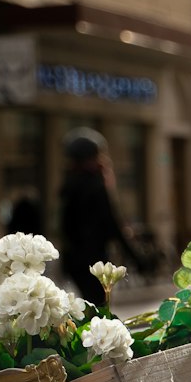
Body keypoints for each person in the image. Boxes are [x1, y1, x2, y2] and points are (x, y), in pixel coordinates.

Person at [58, 128, 148, 304]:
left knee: (88, 306)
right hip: (95, 258)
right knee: (99, 309)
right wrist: (136, 257)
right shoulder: (96, 185)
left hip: (75, 261)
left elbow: (64, 226)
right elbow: (111, 223)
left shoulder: (68, 185)